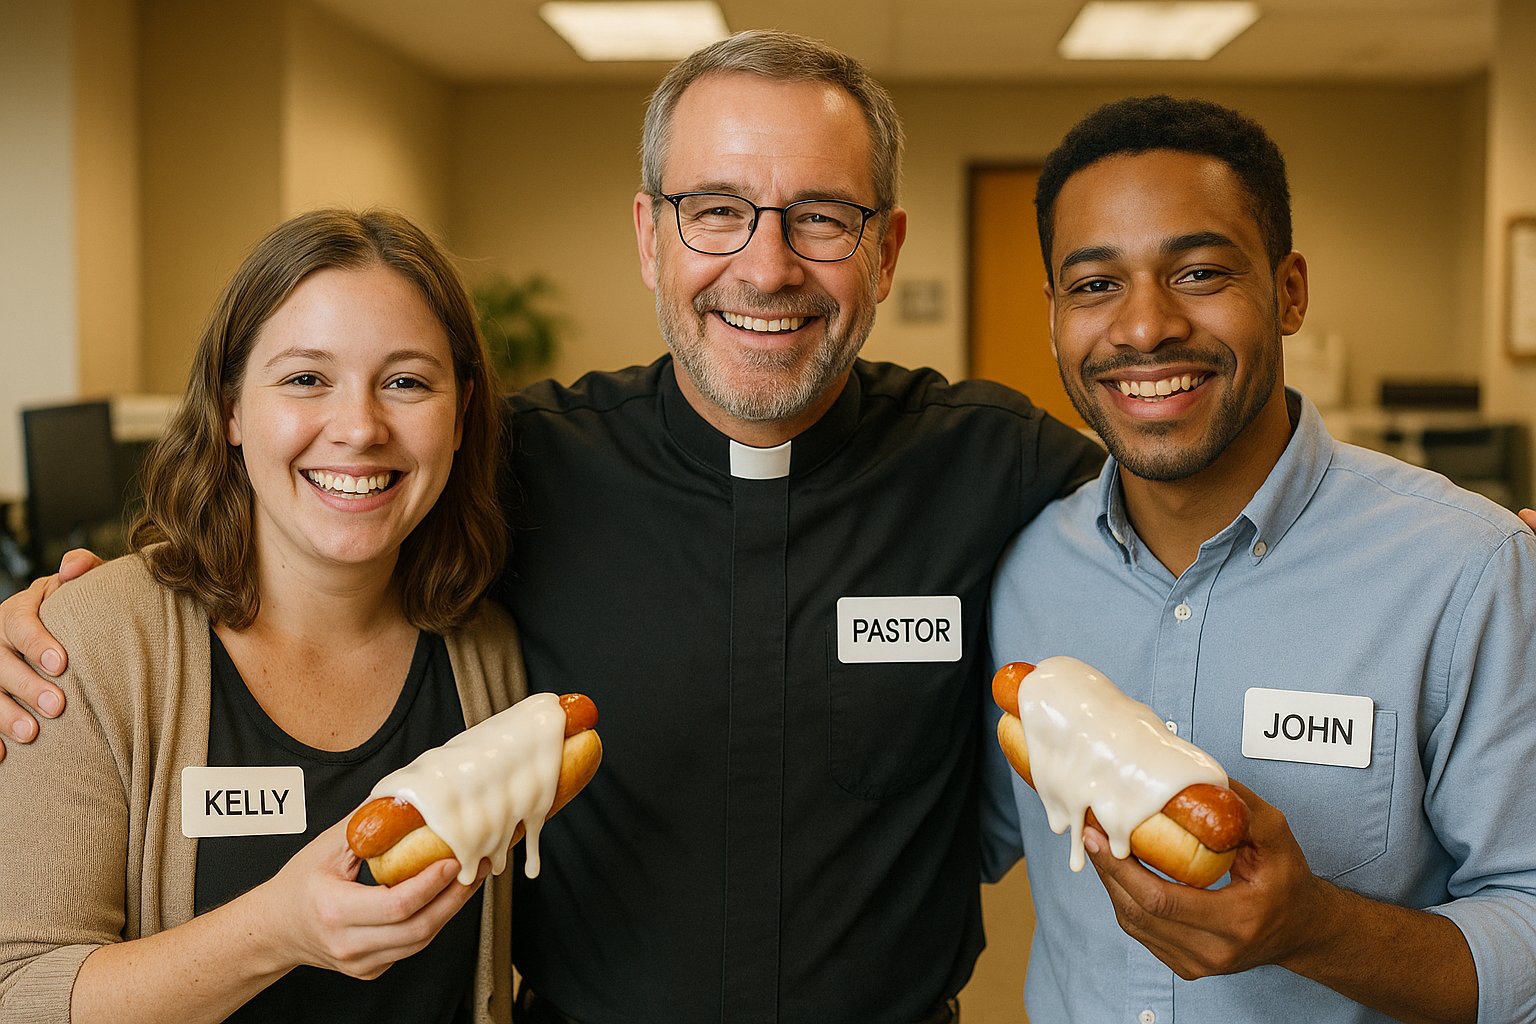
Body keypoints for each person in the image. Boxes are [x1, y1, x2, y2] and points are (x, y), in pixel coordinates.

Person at [0, 31, 1106, 1024]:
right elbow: (320, 519)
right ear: (649, 234)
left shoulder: (995, 460)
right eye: (715, 210)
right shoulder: (528, 464)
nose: (766, 266)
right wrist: (67, 618)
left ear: (886, 247)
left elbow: (1184, 556)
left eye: (822, 217)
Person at [982, 95, 1536, 1024]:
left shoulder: (1469, 571)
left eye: (1199, 272)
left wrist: (1318, 930)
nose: (1144, 327)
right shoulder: (1024, 567)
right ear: (1053, 316)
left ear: (1288, 291)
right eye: (1094, 285)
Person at [0, 209, 525, 1023]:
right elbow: (16, 992)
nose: (358, 428)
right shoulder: (88, 648)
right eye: (306, 378)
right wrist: (276, 932)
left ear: (461, 416)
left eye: (407, 382)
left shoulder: (489, 651)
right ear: (232, 409)